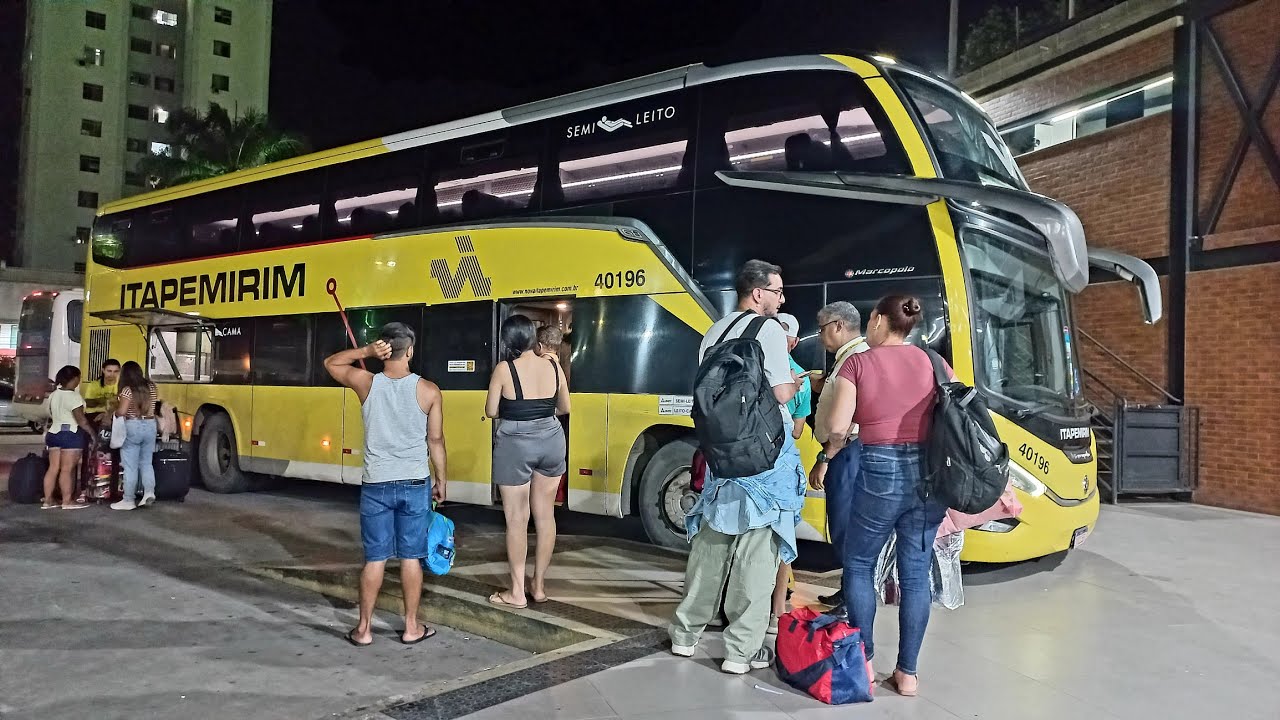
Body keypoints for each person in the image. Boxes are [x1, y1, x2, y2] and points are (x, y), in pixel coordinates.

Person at [669, 259, 804, 675]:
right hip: (763, 457)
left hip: (720, 455)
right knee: (757, 553)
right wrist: (798, 385)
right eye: (778, 291)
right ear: (758, 292)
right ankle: (740, 652)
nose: (781, 300)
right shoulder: (770, 332)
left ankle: (685, 634)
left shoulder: (714, 330)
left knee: (711, 544)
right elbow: (780, 392)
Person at [822, 295, 950, 697]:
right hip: (928, 477)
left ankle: (865, 661)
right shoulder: (934, 362)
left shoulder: (859, 362)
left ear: (877, 320)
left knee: (859, 563)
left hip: (879, 470)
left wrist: (829, 453)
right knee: (915, 574)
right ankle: (908, 674)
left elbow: (838, 427)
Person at [324, 323, 448, 647]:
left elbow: (332, 364)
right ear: (410, 351)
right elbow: (435, 440)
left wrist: (365, 352)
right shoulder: (429, 390)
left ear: (383, 350)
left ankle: (363, 629)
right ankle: (410, 627)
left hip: (376, 484)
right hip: (414, 482)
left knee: (375, 558)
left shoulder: (367, 383)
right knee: (410, 557)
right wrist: (442, 480)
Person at [486, 315, 570, 609]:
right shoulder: (553, 365)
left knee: (517, 519)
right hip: (552, 440)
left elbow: (492, 411)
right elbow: (565, 407)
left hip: (515, 444)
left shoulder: (504, 369)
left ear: (508, 342)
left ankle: (517, 593)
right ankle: (540, 586)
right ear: (534, 339)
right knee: (545, 516)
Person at [809, 301, 871, 607]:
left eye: (822, 329)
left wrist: (825, 459)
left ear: (838, 326)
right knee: (843, 526)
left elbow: (847, 423)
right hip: (847, 453)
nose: (820, 336)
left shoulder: (855, 360)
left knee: (845, 528)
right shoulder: (849, 358)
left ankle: (852, 603)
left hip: (846, 452)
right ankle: (848, 591)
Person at [768, 313, 812, 632]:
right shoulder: (801, 378)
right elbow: (797, 431)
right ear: (794, 341)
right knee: (783, 540)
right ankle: (776, 612)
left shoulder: (757, 367)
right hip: (782, 467)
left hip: (748, 467)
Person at [41, 366, 97, 510]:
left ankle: (48, 501)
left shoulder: (54, 394)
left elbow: (50, 413)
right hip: (70, 434)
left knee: (53, 468)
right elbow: (81, 420)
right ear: (74, 379)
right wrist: (92, 433)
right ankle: (67, 501)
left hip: (54, 433)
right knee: (67, 469)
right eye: (78, 377)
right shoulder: (74, 396)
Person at [109, 361, 159, 511]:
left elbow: (122, 412)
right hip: (150, 425)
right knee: (146, 463)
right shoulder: (151, 387)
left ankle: (128, 500)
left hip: (133, 426)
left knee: (130, 466)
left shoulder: (127, 390)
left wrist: (114, 413)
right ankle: (149, 493)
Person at [82, 358, 120, 424]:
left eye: (115, 371)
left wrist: (107, 414)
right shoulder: (94, 384)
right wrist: (108, 400)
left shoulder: (121, 385)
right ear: (103, 370)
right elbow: (88, 403)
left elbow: (123, 405)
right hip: (94, 414)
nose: (112, 374)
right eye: (109, 371)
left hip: (114, 415)